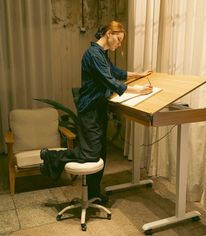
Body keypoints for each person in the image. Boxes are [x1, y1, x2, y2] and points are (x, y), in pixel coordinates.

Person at [40, 20, 152, 203]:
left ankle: (93, 192)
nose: (120, 43)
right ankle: (52, 156)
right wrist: (138, 90)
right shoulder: (93, 54)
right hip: (89, 110)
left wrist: (137, 75)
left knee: (101, 154)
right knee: (90, 154)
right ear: (109, 34)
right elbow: (110, 81)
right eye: (119, 39)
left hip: (99, 108)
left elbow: (115, 71)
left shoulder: (101, 53)